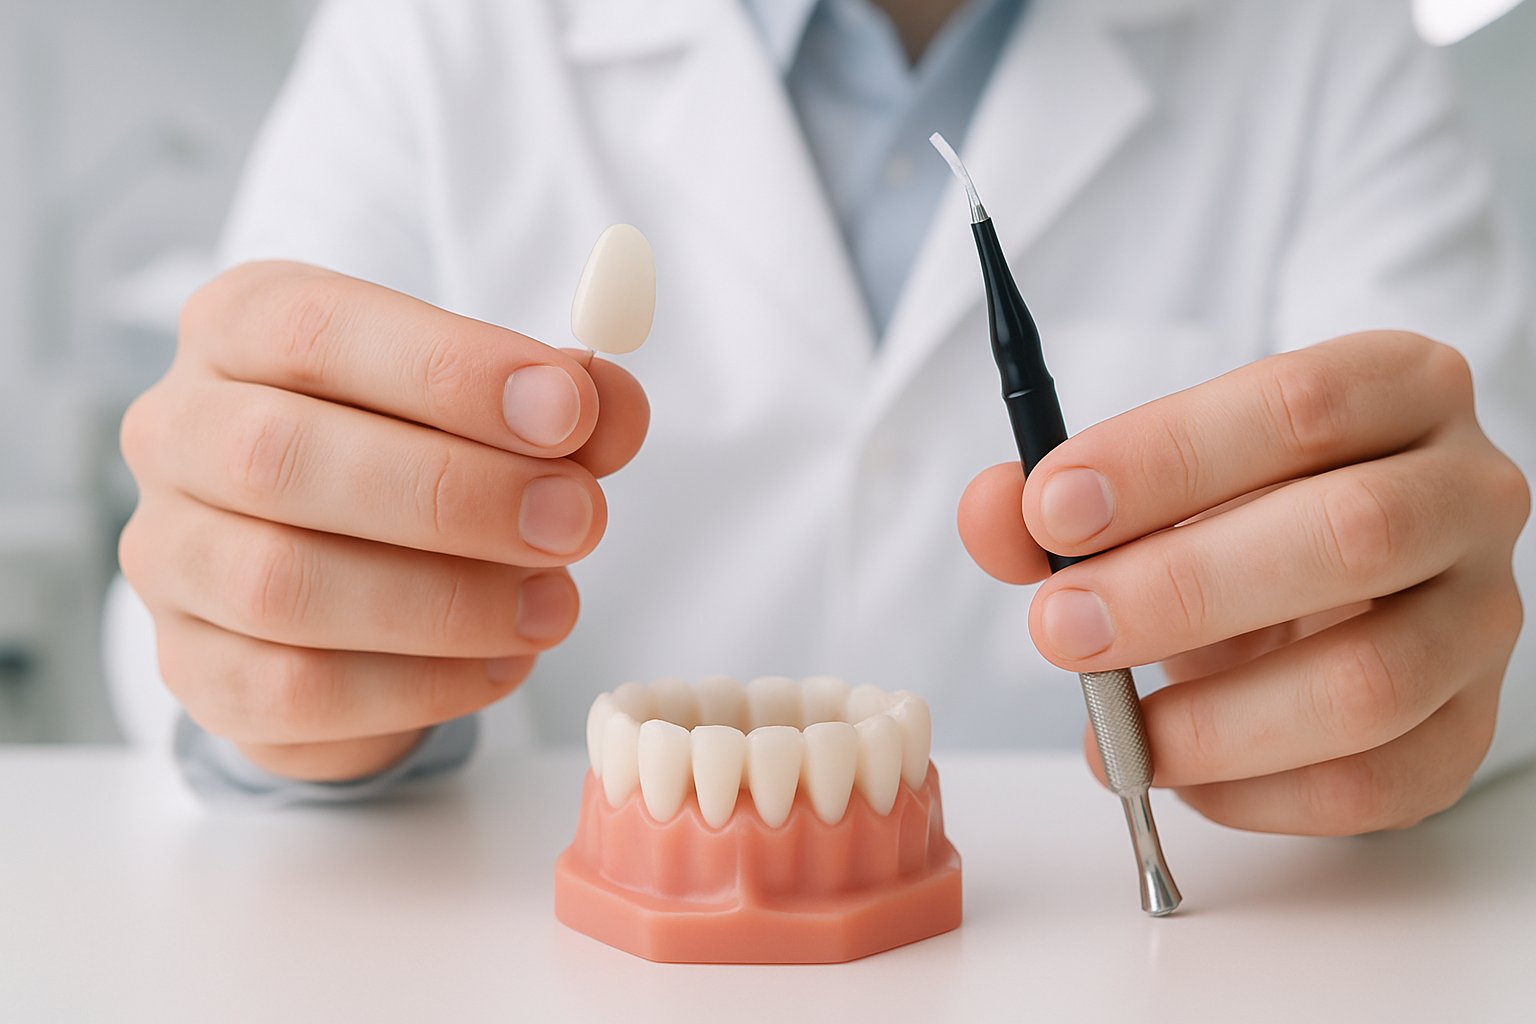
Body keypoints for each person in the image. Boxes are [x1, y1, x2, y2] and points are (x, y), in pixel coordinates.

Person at [107, 0, 1534, 834]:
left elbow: (1494, 564)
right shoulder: (433, 35)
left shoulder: (1329, 42)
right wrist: (286, 663)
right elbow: (196, 566)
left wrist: (1407, 640)